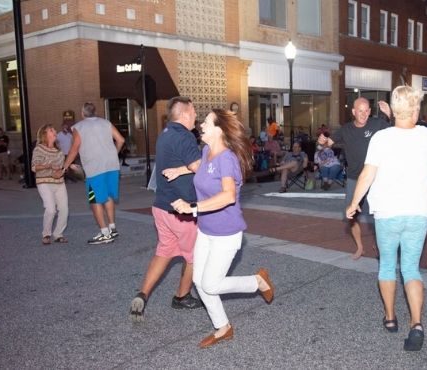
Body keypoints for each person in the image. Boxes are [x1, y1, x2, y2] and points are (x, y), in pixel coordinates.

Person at [345, 85, 427, 352]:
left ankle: (390, 318)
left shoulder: (382, 138)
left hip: (387, 212)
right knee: (411, 268)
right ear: (416, 109)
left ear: (394, 109)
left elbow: (367, 174)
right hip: (418, 212)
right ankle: (417, 324)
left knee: (387, 265)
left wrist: (354, 203)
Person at [167, 109, 274, 348]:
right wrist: (180, 170)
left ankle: (257, 281)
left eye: (205, 122)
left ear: (219, 130)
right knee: (198, 280)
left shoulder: (227, 159)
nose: (200, 124)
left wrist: (192, 207)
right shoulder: (207, 151)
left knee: (211, 284)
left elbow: (227, 196)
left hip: (227, 233)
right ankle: (223, 327)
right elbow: (200, 168)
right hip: (206, 230)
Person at [129, 97, 204, 323]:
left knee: (164, 251)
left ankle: (142, 294)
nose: (195, 117)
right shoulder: (185, 136)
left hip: (161, 206)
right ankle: (182, 296)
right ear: (183, 115)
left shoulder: (165, 135)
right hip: (181, 209)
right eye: (192, 113)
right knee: (194, 255)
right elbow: (199, 168)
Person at [321, 97, 391, 259]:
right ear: (353, 112)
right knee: (350, 216)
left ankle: (379, 245)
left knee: (380, 216)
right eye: (360, 110)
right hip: (354, 179)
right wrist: (322, 141)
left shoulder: (377, 124)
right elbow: (328, 144)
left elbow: (396, 132)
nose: (364, 114)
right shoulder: (345, 130)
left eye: (367, 110)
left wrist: (390, 114)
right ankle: (360, 247)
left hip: (375, 179)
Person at [64, 102, 125, 244]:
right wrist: (113, 153)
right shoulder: (106, 123)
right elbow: (121, 140)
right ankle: (112, 228)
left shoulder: (79, 127)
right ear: (95, 111)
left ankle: (104, 233)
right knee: (108, 196)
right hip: (111, 165)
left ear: (82, 113)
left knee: (94, 200)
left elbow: (74, 149)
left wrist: (65, 166)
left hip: (94, 168)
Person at [31, 124, 69, 245]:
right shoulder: (39, 149)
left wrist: (65, 169)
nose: (54, 131)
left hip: (59, 182)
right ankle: (46, 234)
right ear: (45, 134)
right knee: (51, 209)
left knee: (64, 209)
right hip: (44, 182)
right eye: (51, 130)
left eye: (54, 129)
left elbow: (61, 168)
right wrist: (49, 166)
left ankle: (58, 234)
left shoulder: (59, 151)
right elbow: (34, 167)